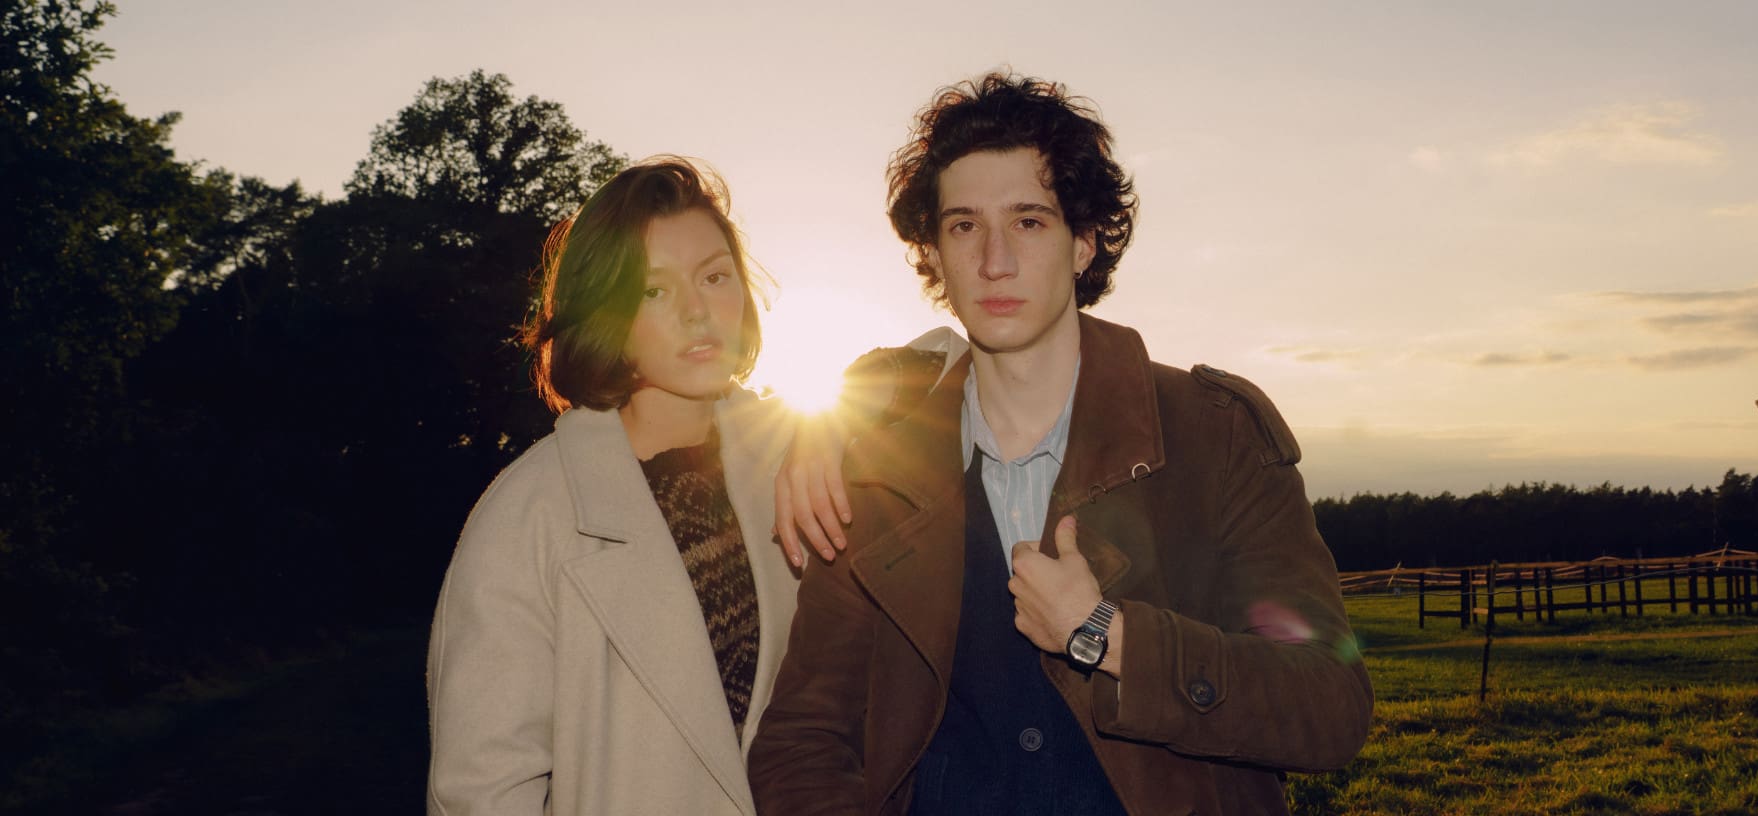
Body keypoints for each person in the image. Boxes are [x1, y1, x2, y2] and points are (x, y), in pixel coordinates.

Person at [748, 74, 1373, 815]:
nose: (994, 261)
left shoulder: (1216, 436)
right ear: (935, 256)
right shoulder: (869, 471)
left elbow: (1330, 707)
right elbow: (803, 742)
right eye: (963, 226)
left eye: (1030, 222)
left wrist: (1109, 637)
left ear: (1084, 243)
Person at [425, 156, 956, 815]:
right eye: (653, 290)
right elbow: (479, 792)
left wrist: (828, 424)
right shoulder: (530, 512)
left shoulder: (790, 454)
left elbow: (952, 359)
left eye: (714, 276)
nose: (697, 310)